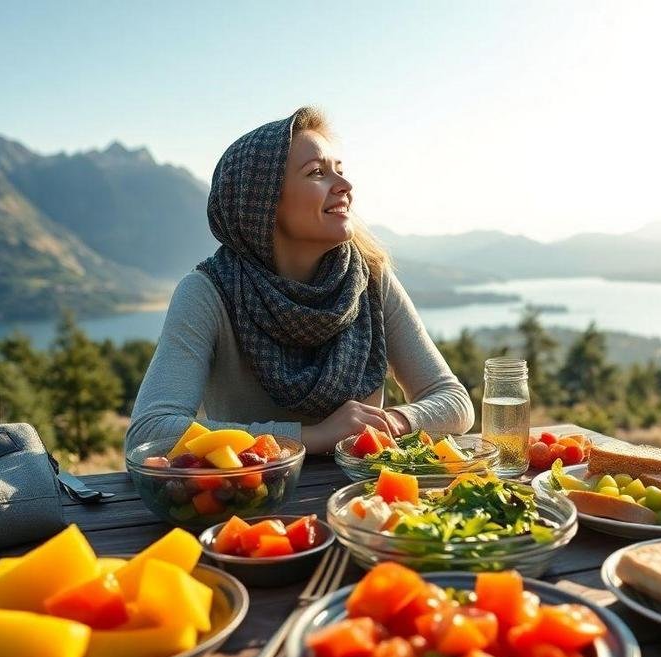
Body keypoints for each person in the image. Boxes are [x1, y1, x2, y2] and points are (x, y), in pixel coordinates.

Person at [126, 107, 474, 454]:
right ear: (262, 202)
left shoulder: (370, 279)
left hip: (366, 502)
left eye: (340, 171)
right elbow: (150, 432)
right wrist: (313, 437)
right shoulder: (208, 292)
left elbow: (454, 402)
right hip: (255, 502)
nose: (345, 186)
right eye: (317, 173)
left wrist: (394, 421)